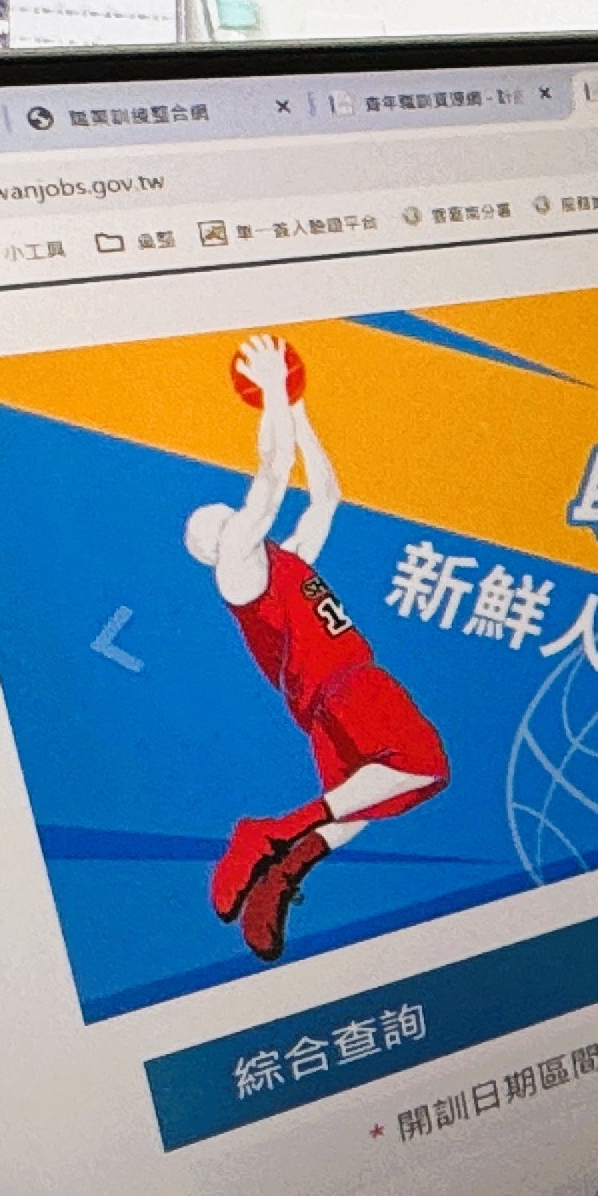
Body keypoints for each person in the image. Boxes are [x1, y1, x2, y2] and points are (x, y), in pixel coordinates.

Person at [187, 333, 448, 961]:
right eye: (223, 521)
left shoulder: (285, 561)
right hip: (345, 682)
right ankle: (273, 833)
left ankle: (283, 872)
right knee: (425, 765)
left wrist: (299, 406)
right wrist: (274, 389)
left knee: (366, 803)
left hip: (324, 702)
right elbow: (272, 476)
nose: (234, 518)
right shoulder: (238, 568)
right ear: (216, 547)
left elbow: (326, 497)